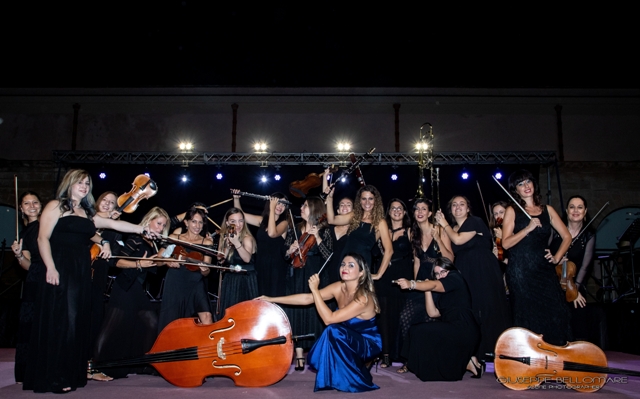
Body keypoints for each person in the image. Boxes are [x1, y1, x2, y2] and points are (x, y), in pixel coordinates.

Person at [24, 169, 154, 393]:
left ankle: (71, 372)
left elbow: (112, 226)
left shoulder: (85, 212)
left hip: (81, 270)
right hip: (60, 267)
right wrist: (51, 267)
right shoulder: (56, 206)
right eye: (80, 183)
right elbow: (42, 238)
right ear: (69, 184)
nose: (84, 187)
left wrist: (142, 229)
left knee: (77, 321)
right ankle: (54, 376)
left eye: (87, 184)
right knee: (62, 321)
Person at [258, 253, 382, 393]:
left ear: (361, 273)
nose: (344, 268)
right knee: (335, 331)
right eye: (343, 264)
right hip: (348, 338)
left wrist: (315, 290)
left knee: (333, 330)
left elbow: (329, 319)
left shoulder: (363, 298)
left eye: (351, 265)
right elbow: (307, 299)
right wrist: (271, 299)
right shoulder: (339, 287)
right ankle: (347, 371)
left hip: (368, 343)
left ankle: (359, 369)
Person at [501, 169, 577, 346]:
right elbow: (506, 243)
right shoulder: (512, 210)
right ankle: (530, 357)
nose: (526, 186)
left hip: (543, 270)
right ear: (516, 190)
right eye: (520, 184)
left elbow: (567, 236)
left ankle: (556, 353)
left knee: (557, 311)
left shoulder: (547, 210)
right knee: (528, 314)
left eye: (528, 181)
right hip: (521, 271)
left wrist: (557, 257)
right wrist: (527, 229)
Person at [95, 207, 171, 378]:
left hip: (135, 289)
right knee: (109, 328)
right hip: (124, 287)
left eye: (163, 226)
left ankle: (143, 364)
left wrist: (162, 255)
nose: (160, 228)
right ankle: (95, 365)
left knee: (151, 323)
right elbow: (116, 262)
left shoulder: (153, 242)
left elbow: (154, 265)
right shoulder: (136, 238)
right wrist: (139, 263)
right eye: (158, 223)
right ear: (149, 220)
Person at [435, 195, 511, 364]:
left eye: (462, 204)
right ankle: (476, 353)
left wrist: (444, 224)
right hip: (465, 270)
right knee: (472, 310)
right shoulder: (452, 227)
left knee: (488, 307)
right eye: (454, 205)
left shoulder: (475, 221)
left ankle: (496, 352)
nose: (458, 207)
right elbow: (450, 253)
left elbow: (458, 239)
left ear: (468, 208)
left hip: (483, 269)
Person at [396, 257, 481, 381]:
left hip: (464, 327)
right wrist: (427, 290)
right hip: (453, 327)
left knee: (420, 331)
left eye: (443, 271)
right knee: (417, 330)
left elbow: (435, 284)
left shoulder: (455, 277)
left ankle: (464, 361)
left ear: (450, 270)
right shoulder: (444, 294)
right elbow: (433, 313)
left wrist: (412, 284)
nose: (440, 275)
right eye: (437, 273)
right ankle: (469, 362)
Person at [396, 198, 453, 373]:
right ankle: (410, 359)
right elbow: (417, 263)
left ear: (429, 213)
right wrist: (414, 285)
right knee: (406, 317)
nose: (420, 212)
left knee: (429, 321)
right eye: (417, 209)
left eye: (424, 209)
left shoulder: (439, 230)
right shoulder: (415, 234)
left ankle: (427, 360)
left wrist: (438, 239)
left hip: (437, 284)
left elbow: (450, 259)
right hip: (420, 283)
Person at [283, 197, 332, 361]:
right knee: (296, 313)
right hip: (297, 275)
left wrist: (317, 237)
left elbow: (329, 256)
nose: (301, 208)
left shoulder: (324, 230)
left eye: (305, 205)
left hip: (315, 275)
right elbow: (285, 256)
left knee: (314, 313)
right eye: (302, 205)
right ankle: (298, 355)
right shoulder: (295, 229)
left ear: (315, 209)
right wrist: (290, 250)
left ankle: (316, 353)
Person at [158, 206, 214, 332]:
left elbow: (207, 270)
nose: (197, 225)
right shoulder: (175, 238)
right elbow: (158, 260)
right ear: (186, 222)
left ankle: (207, 350)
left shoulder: (207, 243)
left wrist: (205, 270)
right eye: (194, 221)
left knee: (207, 317)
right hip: (175, 281)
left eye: (200, 222)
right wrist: (168, 261)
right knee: (171, 320)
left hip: (196, 282)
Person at [87, 191, 123, 381]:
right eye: (105, 200)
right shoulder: (85, 219)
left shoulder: (113, 228)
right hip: (79, 274)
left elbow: (114, 256)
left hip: (98, 277)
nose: (107, 204)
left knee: (94, 320)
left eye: (112, 203)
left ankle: (91, 365)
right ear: (98, 201)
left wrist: (111, 227)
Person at [375, 199, 414, 368]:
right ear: (388, 211)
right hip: (382, 275)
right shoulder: (380, 229)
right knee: (383, 316)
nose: (397, 211)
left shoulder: (410, 231)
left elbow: (417, 254)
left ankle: (403, 355)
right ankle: (385, 354)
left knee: (401, 316)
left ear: (405, 212)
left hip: (403, 274)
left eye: (400, 208)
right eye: (393, 208)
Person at [326, 184, 393, 280]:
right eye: (364, 199)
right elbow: (331, 220)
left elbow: (389, 250)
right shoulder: (354, 216)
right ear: (359, 201)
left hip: (361, 264)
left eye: (370, 199)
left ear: (375, 201)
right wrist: (329, 198)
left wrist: (379, 274)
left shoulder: (380, 222)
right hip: (345, 261)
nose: (367, 202)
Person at [233, 189, 290, 296]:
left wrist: (272, 209)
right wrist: (236, 199)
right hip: (260, 263)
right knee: (260, 294)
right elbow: (241, 216)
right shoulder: (262, 220)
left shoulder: (284, 223)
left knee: (273, 295)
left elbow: (272, 233)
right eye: (277, 202)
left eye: (283, 204)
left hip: (276, 266)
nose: (280, 206)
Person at [11, 191, 42, 384]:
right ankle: (28, 371)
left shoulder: (48, 226)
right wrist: (19, 256)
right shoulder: (24, 233)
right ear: (21, 209)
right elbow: (28, 266)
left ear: (41, 205)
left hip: (52, 277)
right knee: (30, 326)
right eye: (27, 203)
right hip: (34, 279)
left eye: (35, 202)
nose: (31, 206)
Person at [549, 195, 590, 338]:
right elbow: (543, 253)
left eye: (580, 207)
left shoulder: (588, 236)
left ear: (585, 211)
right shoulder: (555, 231)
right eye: (572, 207)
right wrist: (555, 259)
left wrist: (575, 290)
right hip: (553, 282)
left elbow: (585, 266)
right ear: (567, 211)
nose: (575, 210)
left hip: (576, 283)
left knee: (578, 312)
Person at [217, 207, 258, 314]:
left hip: (246, 280)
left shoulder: (247, 238)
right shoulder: (224, 237)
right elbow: (220, 260)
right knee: (230, 315)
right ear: (227, 223)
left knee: (246, 315)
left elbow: (247, 258)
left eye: (240, 220)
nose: (238, 224)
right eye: (233, 221)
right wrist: (226, 246)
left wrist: (236, 243)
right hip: (231, 280)